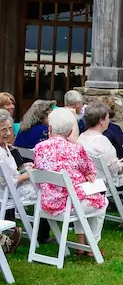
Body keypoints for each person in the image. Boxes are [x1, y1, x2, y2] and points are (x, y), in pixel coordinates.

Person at [34, 108, 108, 253]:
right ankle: (92, 246)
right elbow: (91, 171)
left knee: (82, 196)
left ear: (50, 128)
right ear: (69, 132)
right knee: (101, 202)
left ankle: (82, 244)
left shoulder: (39, 148)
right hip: (69, 203)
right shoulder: (75, 149)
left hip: (47, 202)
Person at [78, 101, 123, 185]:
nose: (109, 121)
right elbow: (114, 171)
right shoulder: (102, 141)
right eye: (108, 118)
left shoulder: (81, 137)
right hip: (104, 183)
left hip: (89, 181)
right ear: (101, 120)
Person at [0, 108, 37, 205]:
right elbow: (7, 182)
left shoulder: (4, 146)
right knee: (46, 190)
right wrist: (26, 175)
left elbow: (11, 172)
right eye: (4, 130)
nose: (8, 133)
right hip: (10, 193)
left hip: (13, 189)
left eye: (10, 129)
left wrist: (25, 167)